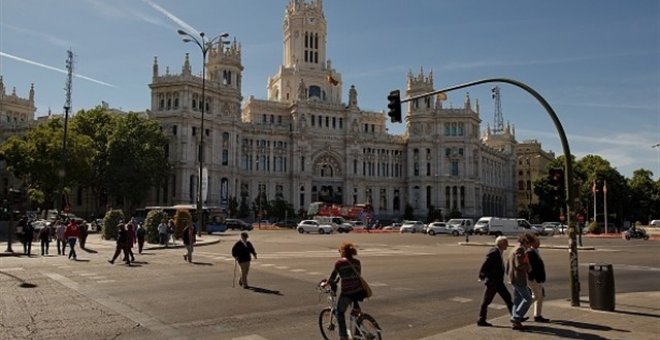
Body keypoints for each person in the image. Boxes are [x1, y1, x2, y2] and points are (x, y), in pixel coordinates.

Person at [327, 241, 367, 340]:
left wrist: (328, 284)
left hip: (348, 292)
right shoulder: (357, 262)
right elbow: (354, 276)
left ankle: (343, 336)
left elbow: (332, 278)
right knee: (355, 312)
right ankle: (358, 331)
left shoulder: (339, 263)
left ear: (342, 252)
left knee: (339, 312)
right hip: (359, 290)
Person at [477, 235, 514, 327]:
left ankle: (516, 317)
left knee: (508, 298)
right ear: (501, 244)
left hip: (498, 282)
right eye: (506, 243)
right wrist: (482, 275)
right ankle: (481, 319)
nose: (507, 245)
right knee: (486, 301)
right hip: (493, 282)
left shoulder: (498, 252)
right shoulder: (494, 252)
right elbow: (486, 264)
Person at [506, 233, 533, 330]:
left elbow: (508, 264)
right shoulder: (520, 249)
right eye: (529, 244)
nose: (529, 246)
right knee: (528, 299)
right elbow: (519, 265)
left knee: (517, 299)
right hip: (518, 278)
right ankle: (516, 318)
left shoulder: (514, 248)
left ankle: (516, 320)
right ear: (525, 241)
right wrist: (528, 267)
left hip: (513, 278)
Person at [527, 235, 550, 322]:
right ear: (532, 243)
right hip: (534, 279)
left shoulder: (536, 251)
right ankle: (520, 310)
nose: (539, 243)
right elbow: (531, 267)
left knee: (540, 296)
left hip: (538, 278)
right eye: (537, 241)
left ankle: (537, 314)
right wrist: (533, 277)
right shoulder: (530, 252)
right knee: (536, 296)